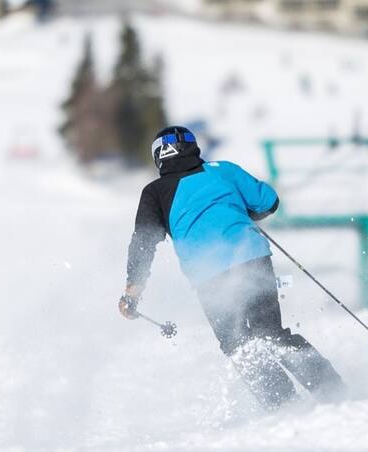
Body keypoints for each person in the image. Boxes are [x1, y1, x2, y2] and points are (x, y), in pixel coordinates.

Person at [119, 126, 345, 410]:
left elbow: (143, 243)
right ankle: (332, 391)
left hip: (208, 275)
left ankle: (284, 406)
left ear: (158, 158)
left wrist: (133, 290)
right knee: (270, 334)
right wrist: (241, 210)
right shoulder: (223, 170)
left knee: (240, 346)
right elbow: (269, 201)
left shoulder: (154, 192)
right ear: (193, 148)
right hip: (251, 258)